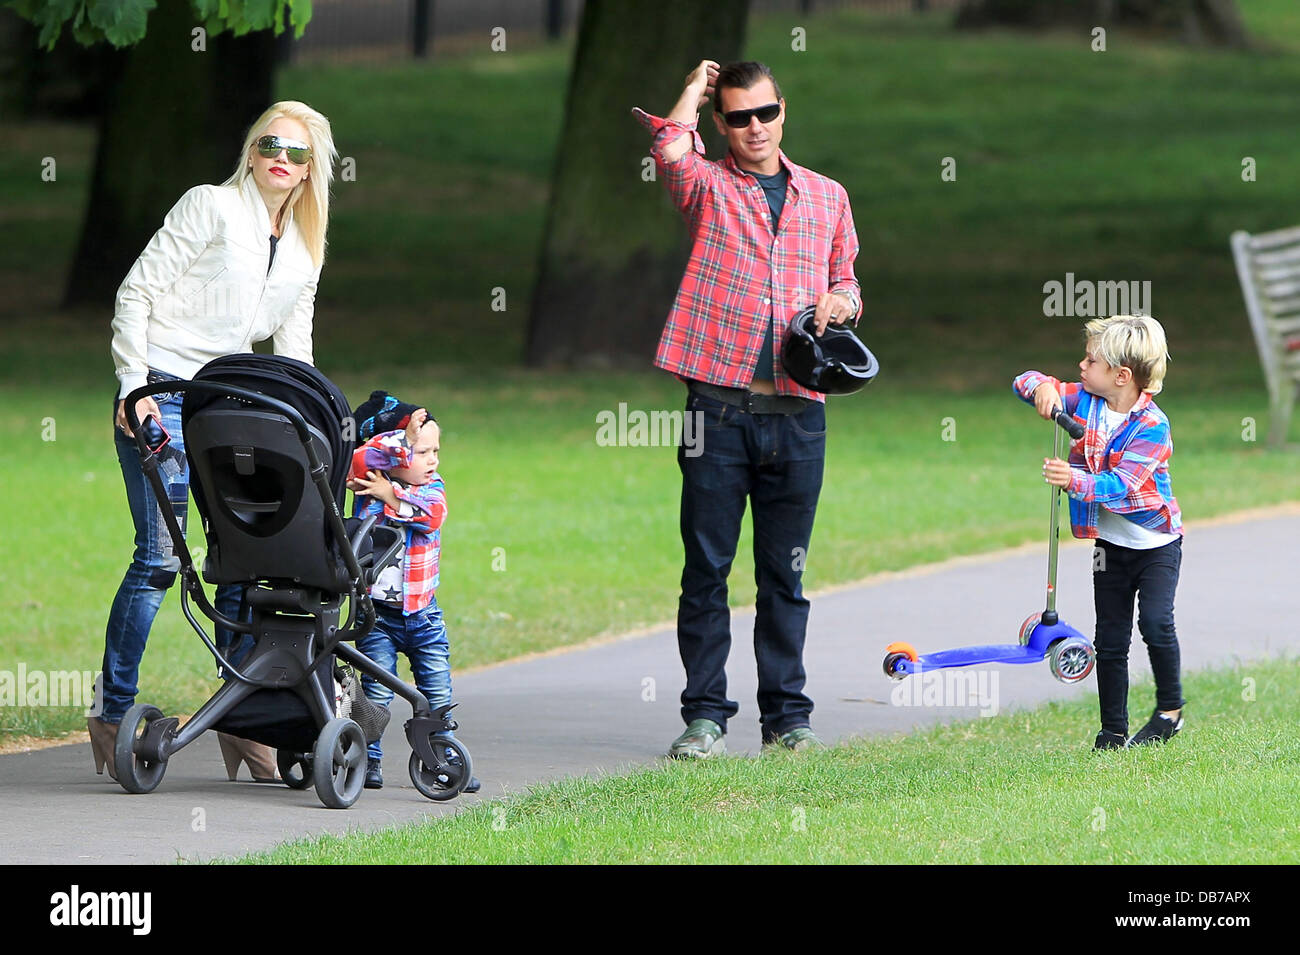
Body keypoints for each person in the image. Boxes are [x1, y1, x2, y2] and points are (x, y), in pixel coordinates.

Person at [92, 101, 338, 783]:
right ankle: (112, 711)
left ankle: (239, 716)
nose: (279, 159)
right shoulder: (210, 205)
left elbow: (295, 355)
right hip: (159, 390)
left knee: (241, 556)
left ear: (310, 167)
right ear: (251, 149)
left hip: (224, 403)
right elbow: (135, 294)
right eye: (269, 144)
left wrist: (309, 425)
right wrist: (133, 387)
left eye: (294, 152)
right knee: (162, 557)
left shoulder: (303, 248)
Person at [633, 60, 863, 757]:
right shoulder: (706, 185)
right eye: (737, 116)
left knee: (784, 573)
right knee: (706, 569)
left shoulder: (826, 196)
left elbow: (847, 278)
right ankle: (705, 716)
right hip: (718, 411)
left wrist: (842, 303)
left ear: (783, 112)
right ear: (721, 122)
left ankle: (788, 717)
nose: (754, 128)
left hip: (798, 413)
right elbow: (669, 148)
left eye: (764, 113)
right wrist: (693, 93)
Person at [1014, 314, 1185, 750]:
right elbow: (1023, 379)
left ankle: (1170, 712)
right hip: (1110, 546)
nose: (1081, 366)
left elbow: (1119, 485)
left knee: (1155, 624)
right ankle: (1112, 731)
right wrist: (1043, 388)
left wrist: (1073, 481)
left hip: (1156, 545)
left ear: (1121, 376)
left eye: (1091, 361)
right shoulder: (1085, 401)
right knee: (1109, 639)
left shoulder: (1152, 427)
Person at [347, 393, 478, 793]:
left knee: (438, 691)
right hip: (377, 617)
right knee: (376, 694)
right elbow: (360, 458)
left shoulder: (432, 490)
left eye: (435, 450)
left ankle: (443, 758)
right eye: (422, 451)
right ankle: (367, 762)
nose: (432, 459)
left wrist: (393, 496)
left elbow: (430, 516)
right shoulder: (368, 487)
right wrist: (401, 441)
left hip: (423, 616)